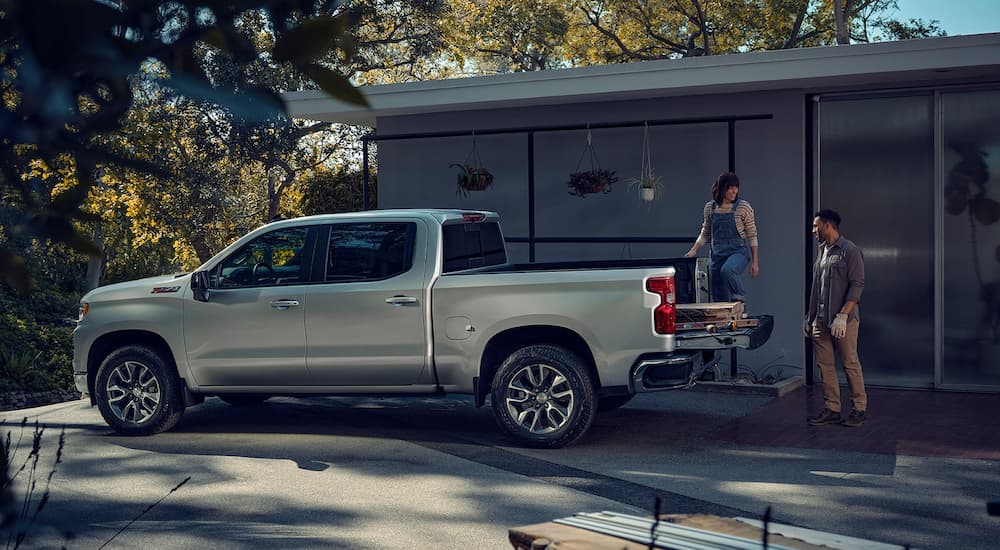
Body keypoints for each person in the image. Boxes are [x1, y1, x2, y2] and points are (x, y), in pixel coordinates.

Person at [805, 209, 868, 428]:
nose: (813, 230)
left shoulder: (850, 251)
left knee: (850, 364)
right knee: (825, 367)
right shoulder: (822, 251)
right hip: (820, 322)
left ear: (828, 225)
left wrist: (843, 315)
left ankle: (859, 410)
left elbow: (857, 284)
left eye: (816, 226)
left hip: (844, 322)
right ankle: (832, 409)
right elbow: (816, 287)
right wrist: (809, 318)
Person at [684, 172, 759, 303]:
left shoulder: (743, 207)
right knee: (719, 297)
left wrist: (755, 262)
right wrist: (693, 250)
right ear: (722, 188)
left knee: (728, 270)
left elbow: (752, 235)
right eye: (730, 187)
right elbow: (705, 232)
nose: (734, 191)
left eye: (736, 187)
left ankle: (740, 300)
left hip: (738, 253)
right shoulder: (710, 208)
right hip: (716, 256)